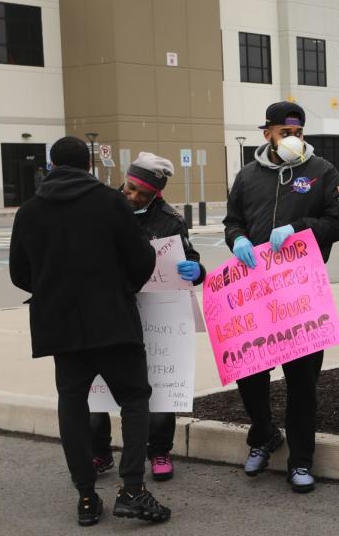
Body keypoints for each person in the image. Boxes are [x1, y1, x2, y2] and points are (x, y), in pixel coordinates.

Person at [9, 136, 171, 526]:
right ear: (88, 166)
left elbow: (20, 274)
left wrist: (53, 290)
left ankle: (85, 495)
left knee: (72, 405)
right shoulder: (110, 203)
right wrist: (122, 289)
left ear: (51, 165)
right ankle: (132, 489)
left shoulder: (29, 212)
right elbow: (141, 258)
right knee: (134, 400)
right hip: (113, 321)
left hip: (60, 328)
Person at [223, 101, 339, 494]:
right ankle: (263, 435)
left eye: (297, 132)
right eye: (284, 132)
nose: (292, 139)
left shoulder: (321, 172)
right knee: (250, 373)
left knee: (302, 381)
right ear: (267, 134)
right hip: (255, 293)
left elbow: (338, 223)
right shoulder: (247, 176)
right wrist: (237, 239)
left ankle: (301, 461)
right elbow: (232, 221)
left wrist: (298, 228)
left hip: (301, 292)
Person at [89, 152, 206, 483]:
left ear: (158, 194)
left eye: (143, 193)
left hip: (155, 315)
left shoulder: (170, 220)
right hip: (108, 309)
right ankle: (98, 451)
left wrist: (196, 270)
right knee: (97, 387)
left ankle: (159, 450)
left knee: (160, 385)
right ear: (124, 180)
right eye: (130, 188)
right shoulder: (103, 207)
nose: (133, 196)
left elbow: (190, 257)